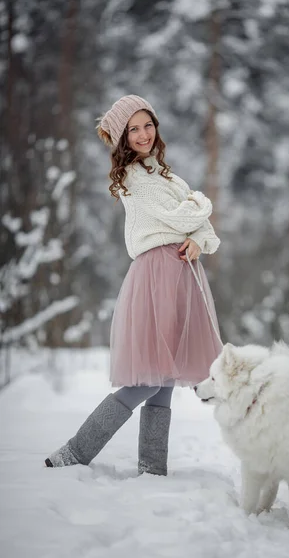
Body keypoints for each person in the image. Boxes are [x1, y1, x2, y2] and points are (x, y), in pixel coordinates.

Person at [45, 94, 222, 475]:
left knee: (165, 380)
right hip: (157, 273)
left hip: (183, 274)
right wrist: (199, 207)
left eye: (148, 125)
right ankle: (76, 451)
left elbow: (203, 229)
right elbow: (178, 217)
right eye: (134, 129)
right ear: (123, 138)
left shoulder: (169, 177)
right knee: (148, 378)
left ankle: (152, 467)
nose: (143, 134)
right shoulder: (133, 178)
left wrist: (198, 239)